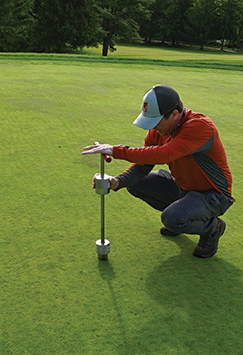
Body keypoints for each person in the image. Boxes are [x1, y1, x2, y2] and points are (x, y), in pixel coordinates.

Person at [82, 84, 234, 258]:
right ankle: (184, 215)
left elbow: (164, 154)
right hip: (183, 188)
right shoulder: (159, 131)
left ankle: (213, 228)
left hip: (213, 195)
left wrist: (116, 150)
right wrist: (117, 181)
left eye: (156, 121)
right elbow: (144, 164)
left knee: (171, 219)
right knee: (135, 184)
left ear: (175, 115)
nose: (153, 128)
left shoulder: (199, 126)